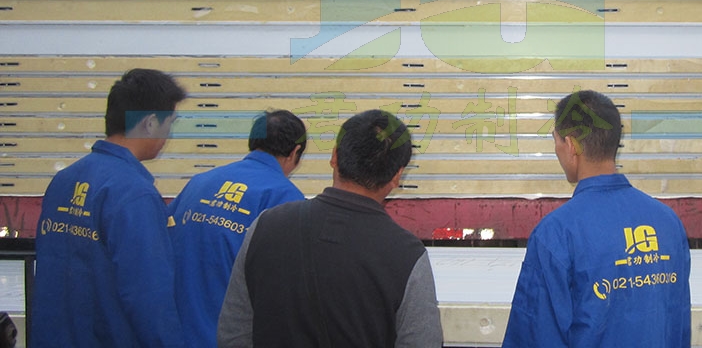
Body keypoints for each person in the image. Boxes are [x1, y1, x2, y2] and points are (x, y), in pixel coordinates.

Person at [217, 109, 443, 348]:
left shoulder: (265, 227)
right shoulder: (406, 255)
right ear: (397, 176)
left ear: (334, 156)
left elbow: (232, 333)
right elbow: (421, 341)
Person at [501, 90, 691, 348]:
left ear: (571, 146)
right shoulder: (668, 223)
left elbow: (535, 336)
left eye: (556, 141)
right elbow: (678, 325)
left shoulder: (556, 234)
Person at [31, 68, 188, 348]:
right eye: (170, 123)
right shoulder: (134, 195)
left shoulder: (64, 181)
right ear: (151, 123)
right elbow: (149, 297)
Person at [168, 110, 308, 348]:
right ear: (295, 152)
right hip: (231, 338)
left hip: (176, 335)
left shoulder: (199, 182)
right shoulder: (285, 198)